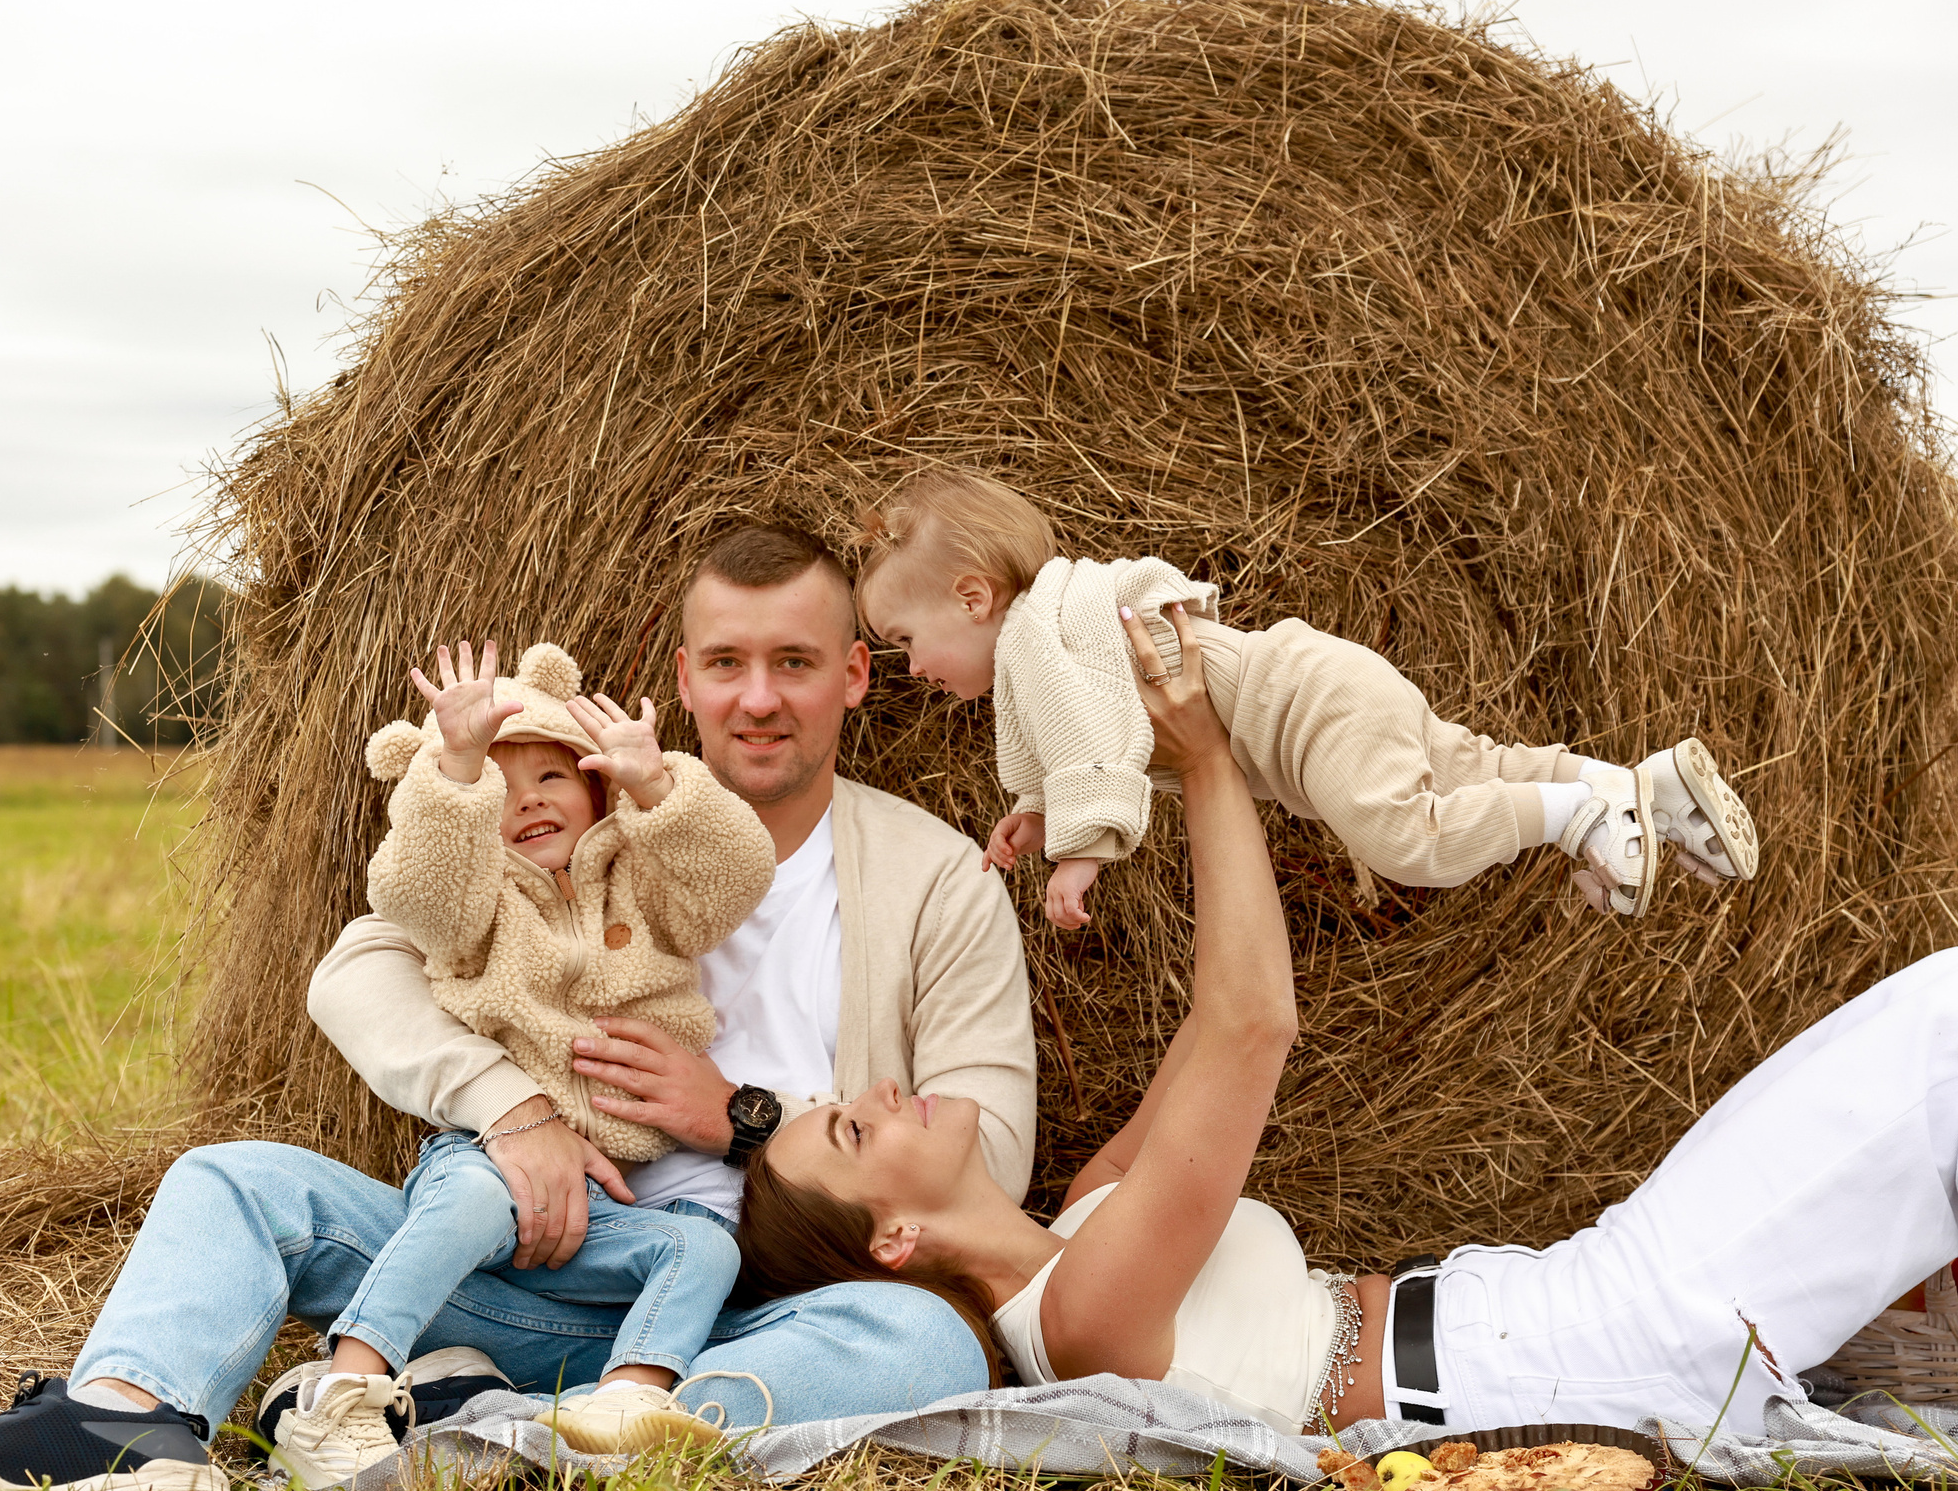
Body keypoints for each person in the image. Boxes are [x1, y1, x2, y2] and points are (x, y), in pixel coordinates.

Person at [0, 524, 1039, 1491]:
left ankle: (511, 1432)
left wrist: (740, 1123)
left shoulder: (932, 881)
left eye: (795, 663)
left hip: (742, 1310)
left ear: (855, 677)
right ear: (681, 678)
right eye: (727, 663)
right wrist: (516, 1113)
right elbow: (355, 973)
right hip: (520, 1262)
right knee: (232, 1184)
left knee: (921, 1337)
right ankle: (126, 1426)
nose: (758, 699)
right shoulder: (566, 825)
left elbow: (993, 1159)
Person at [735, 600, 1957, 1447]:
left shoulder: (1083, 1228)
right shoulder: (1082, 1317)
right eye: (848, 1129)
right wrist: (1208, 760)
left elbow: (1224, 1019)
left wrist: (1101, 794)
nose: (879, 1090)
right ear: (892, 1240)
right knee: (1932, 1038)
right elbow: (1252, 1027)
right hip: (1583, 1355)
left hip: (1561, 1309)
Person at [270, 636, 773, 1485]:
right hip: (491, 1159)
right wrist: (457, 768)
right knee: (468, 1196)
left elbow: (735, 877)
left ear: (593, 785)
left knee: (706, 1249)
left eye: (551, 776)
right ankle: (349, 1386)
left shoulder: (642, 885)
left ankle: (626, 1396)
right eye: (502, 789)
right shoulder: (474, 908)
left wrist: (657, 785)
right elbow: (414, 888)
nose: (530, 800)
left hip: (599, 1196)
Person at [856, 465, 1759, 927]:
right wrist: (1038, 810)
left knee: (1409, 840)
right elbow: (1086, 723)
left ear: (974, 597)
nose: (913, 669)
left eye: (905, 641)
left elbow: (1092, 733)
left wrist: (1081, 850)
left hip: (1307, 708)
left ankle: (1573, 819)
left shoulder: (1032, 636)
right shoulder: (1058, 621)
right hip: (1321, 680)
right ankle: (1643, 787)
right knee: (1472, 767)